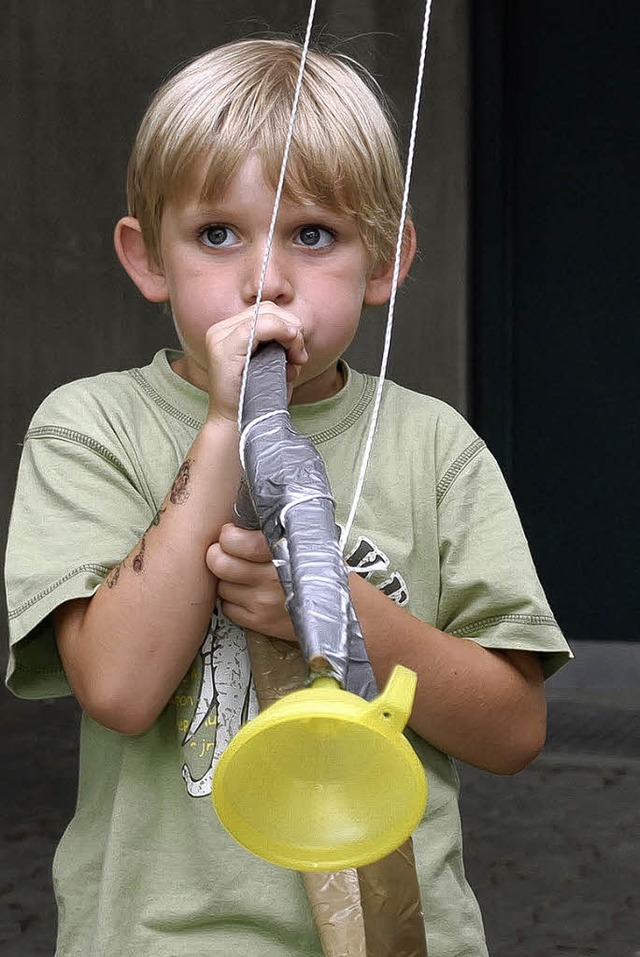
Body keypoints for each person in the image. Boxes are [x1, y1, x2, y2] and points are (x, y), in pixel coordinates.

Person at [4, 38, 571, 957]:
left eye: (314, 235)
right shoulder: (89, 426)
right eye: (216, 233)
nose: (265, 279)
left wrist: (345, 617)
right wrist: (228, 425)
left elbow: (513, 729)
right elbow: (116, 685)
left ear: (384, 261)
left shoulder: (436, 449)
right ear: (148, 258)